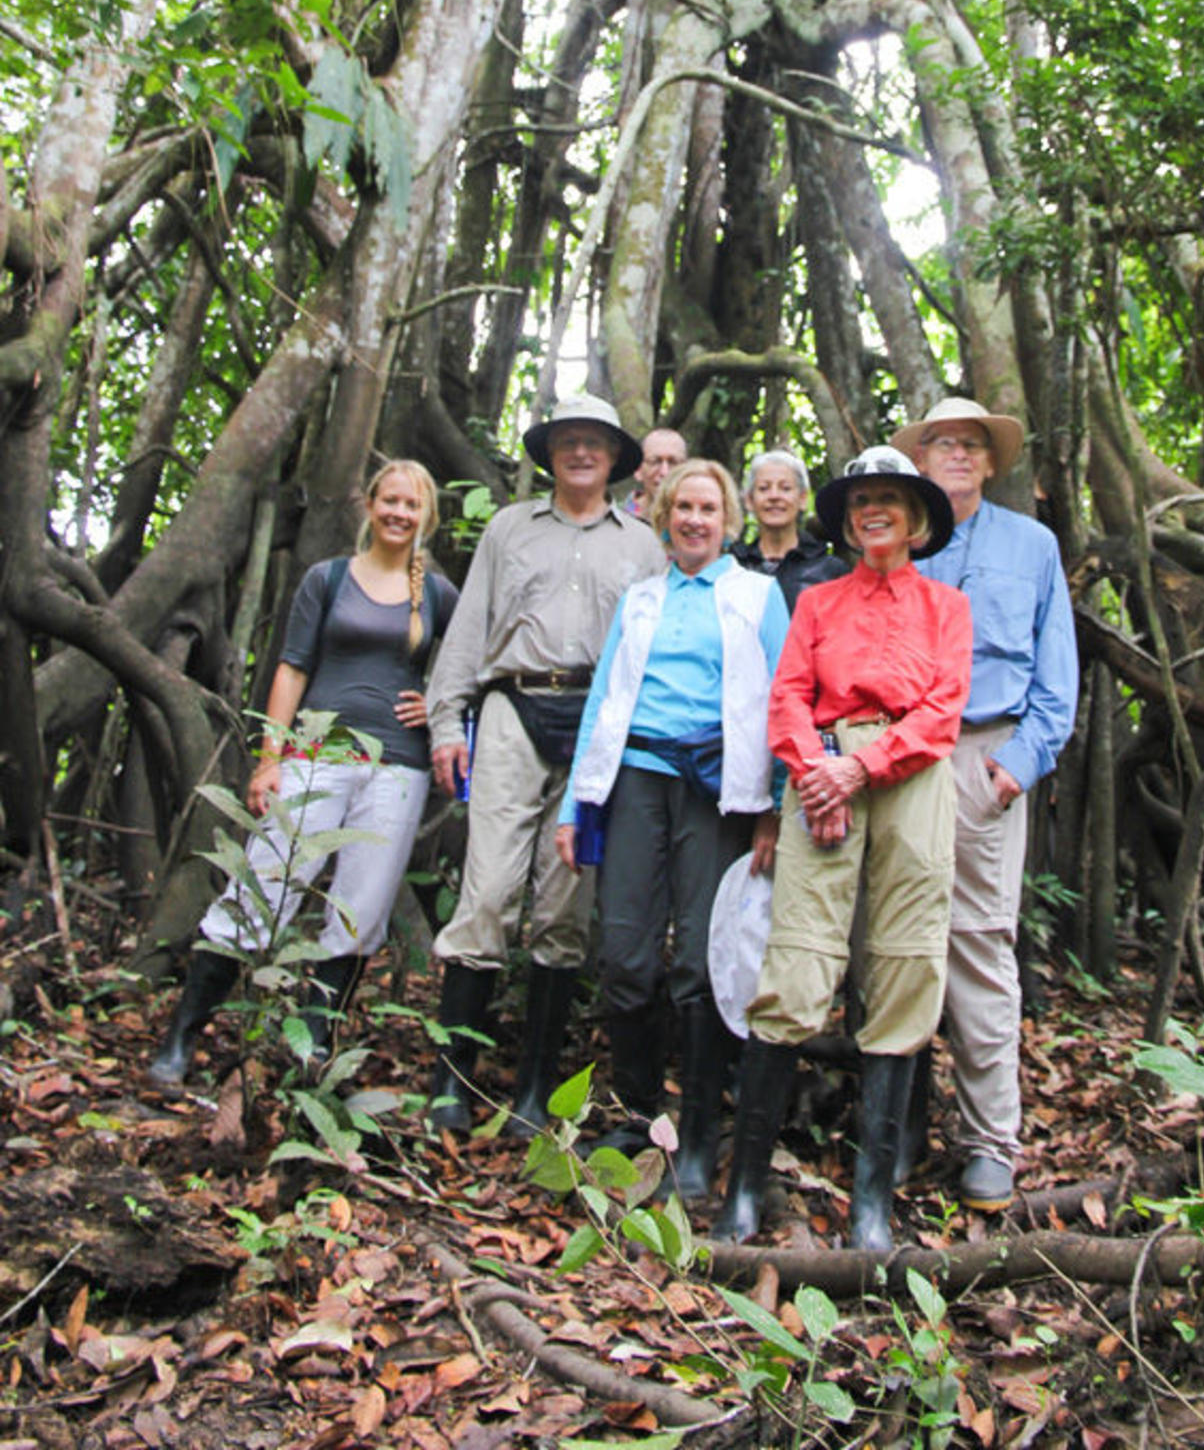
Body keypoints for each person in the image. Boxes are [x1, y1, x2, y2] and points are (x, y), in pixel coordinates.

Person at [715, 447, 970, 1254]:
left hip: (911, 778)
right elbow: (788, 692)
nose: (875, 511)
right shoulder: (819, 601)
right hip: (822, 774)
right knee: (796, 958)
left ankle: (872, 1203)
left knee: (904, 962)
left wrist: (865, 766)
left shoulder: (947, 607)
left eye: (890, 499)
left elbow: (943, 708)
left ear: (917, 516)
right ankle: (747, 1192)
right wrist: (818, 772)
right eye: (862, 499)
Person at [149, 460, 456, 1088]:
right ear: (370, 505)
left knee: (361, 909)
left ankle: (309, 1049)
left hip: (398, 767)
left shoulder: (440, 595)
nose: (400, 513)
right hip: (319, 754)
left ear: (427, 518)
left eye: (413, 505)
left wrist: (439, 702)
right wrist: (271, 757)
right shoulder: (329, 579)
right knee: (265, 885)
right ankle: (182, 1035)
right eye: (390, 500)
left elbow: (460, 672)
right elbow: (290, 669)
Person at [424, 393, 664, 1133]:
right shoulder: (509, 528)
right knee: (487, 891)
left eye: (595, 442)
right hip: (511, 706)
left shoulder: (643, 545)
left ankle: (533, 1090)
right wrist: (445, 721)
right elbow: (468, 628)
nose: (582, 452)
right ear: (550, 453)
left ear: (616, 460)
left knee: (564, 909)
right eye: (569, 441)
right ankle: (452, 1082)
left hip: (598, 725)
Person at [555, 458, 790, 1197]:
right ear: (665, 516)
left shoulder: (756, 594)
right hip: (635, 781)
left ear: (730, 521)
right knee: (625, 947)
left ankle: (696, 1130)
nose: (694, 520)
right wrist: (573, 804)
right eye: (682, 507)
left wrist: (776, 806)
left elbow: (784, 697)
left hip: (717, 790)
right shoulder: (643, 597)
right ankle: (636, 1114)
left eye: (708, 509)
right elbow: (604, 698)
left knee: (700, 956)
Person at [892, 395, 1080, 1211]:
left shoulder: (1031, 545)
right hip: (901, 756)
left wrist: (1019, 764)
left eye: (972, 444)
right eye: (942, 444)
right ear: (922, 460)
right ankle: (896, 1128)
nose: (958, 455)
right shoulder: (899, 541)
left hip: (984, 755)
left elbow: (1056, 671)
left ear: (992, 462)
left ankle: (988, 1143)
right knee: (895, 942)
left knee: (978, 948)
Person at [732, 449, 844, 611]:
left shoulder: (829, 570)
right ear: (749, 500)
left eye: (785, 488)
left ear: (802, 499)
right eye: (764, 488)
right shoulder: (734, 566)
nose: (774, 496)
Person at [625, 425, 689, 522]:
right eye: (655, 461)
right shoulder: (616, 522)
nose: (665, 472)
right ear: (638, 470)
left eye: (673, 462)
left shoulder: (697, 524)